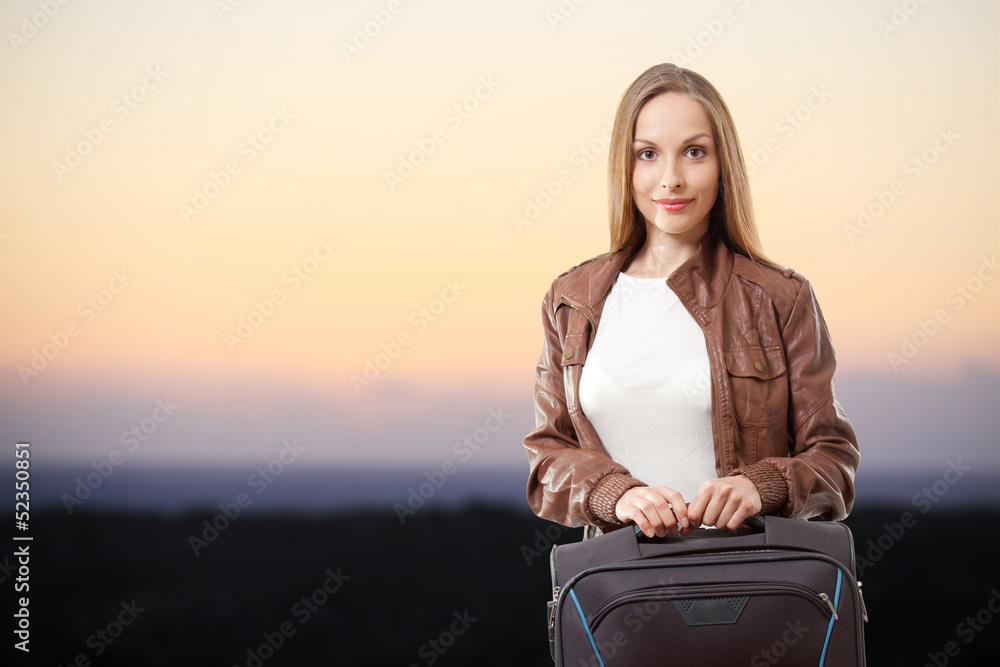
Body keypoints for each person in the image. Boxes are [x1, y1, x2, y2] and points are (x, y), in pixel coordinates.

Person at [523, 64, 860, 541]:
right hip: (622, 591)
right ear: (626, 165)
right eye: (648, 154)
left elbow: (833, 459)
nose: (671, 178)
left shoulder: (781, 298)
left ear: (724, 165)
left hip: (749, 584)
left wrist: (760, 486)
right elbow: (548, 459)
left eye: (695, 152)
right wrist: (613, 494)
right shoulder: (571, 300)